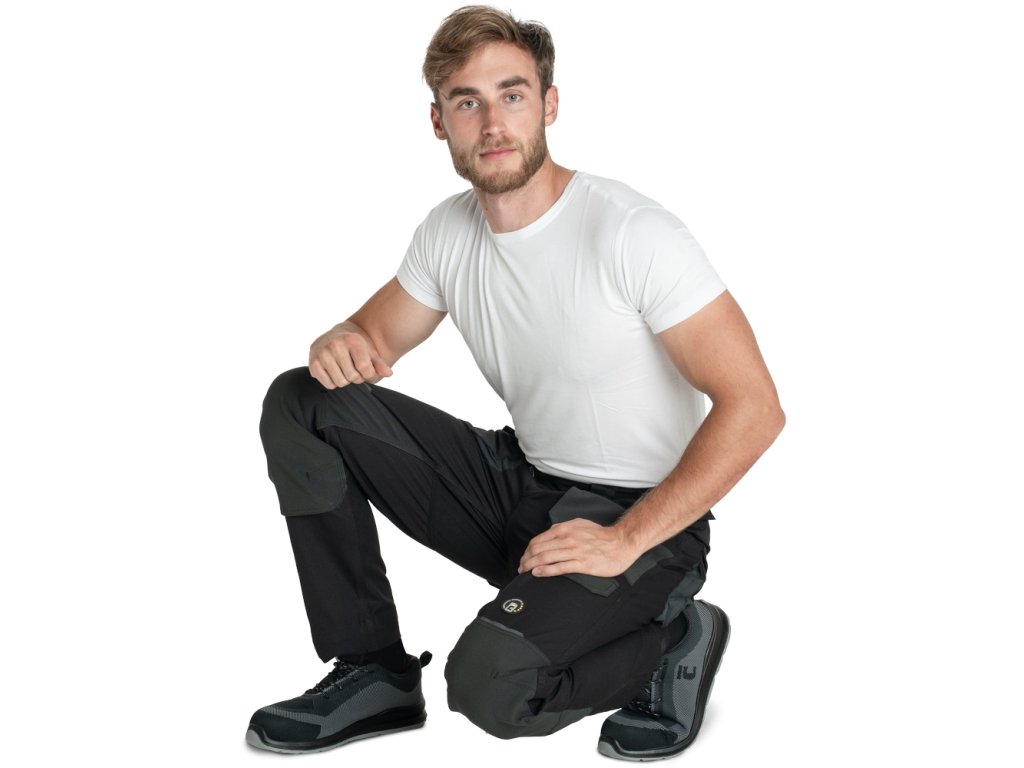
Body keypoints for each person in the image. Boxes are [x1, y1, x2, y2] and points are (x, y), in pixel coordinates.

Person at [246, 4, 784, 761]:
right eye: (468, 101)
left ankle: (675, 636)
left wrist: (626, 540)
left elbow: (755, 408)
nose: (493, 123)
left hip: (639, 521)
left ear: (549, 104)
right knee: (302, 401)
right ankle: (373, 672)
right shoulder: (448, 231)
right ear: (439, 122)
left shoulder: (632, 233)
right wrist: (341, 339)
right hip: (521, 487)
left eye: (513, 94)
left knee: (490, 687)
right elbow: (369, 338)